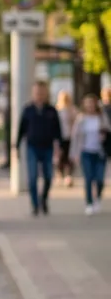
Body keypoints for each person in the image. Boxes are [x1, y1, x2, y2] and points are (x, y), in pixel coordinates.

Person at [15, 81, 62, 215]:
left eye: (42, 93)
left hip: (47, 147)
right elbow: (21, 129)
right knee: (33, 176)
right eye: (37, 93)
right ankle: (35, 205)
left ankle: (44, 199)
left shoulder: (51, 110)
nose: (39, 96)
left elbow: (58, 130)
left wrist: (59, 145)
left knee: (48, 176)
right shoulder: (28, 110)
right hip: (32, 147)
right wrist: (17, 146)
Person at [69, 94, 110, 215]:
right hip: (86, 151)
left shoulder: (102, 117)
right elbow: (75, 137)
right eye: (88, 103)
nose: (90, 106)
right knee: (88, 178)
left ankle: (97, 198)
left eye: (92, 103)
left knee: (100, 179)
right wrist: (74, 154)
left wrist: (104, 133)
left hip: (100, 152)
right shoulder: (81, 119)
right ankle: (89, 203)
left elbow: (108, 130)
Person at [54, 90, 77, 187]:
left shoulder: (72, 109)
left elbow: (75, 123)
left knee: (69, 157)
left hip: (70, 136)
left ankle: (68, 176)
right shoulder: (57, 110)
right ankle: (60, 174)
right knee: (60, 157)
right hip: (60, 137)